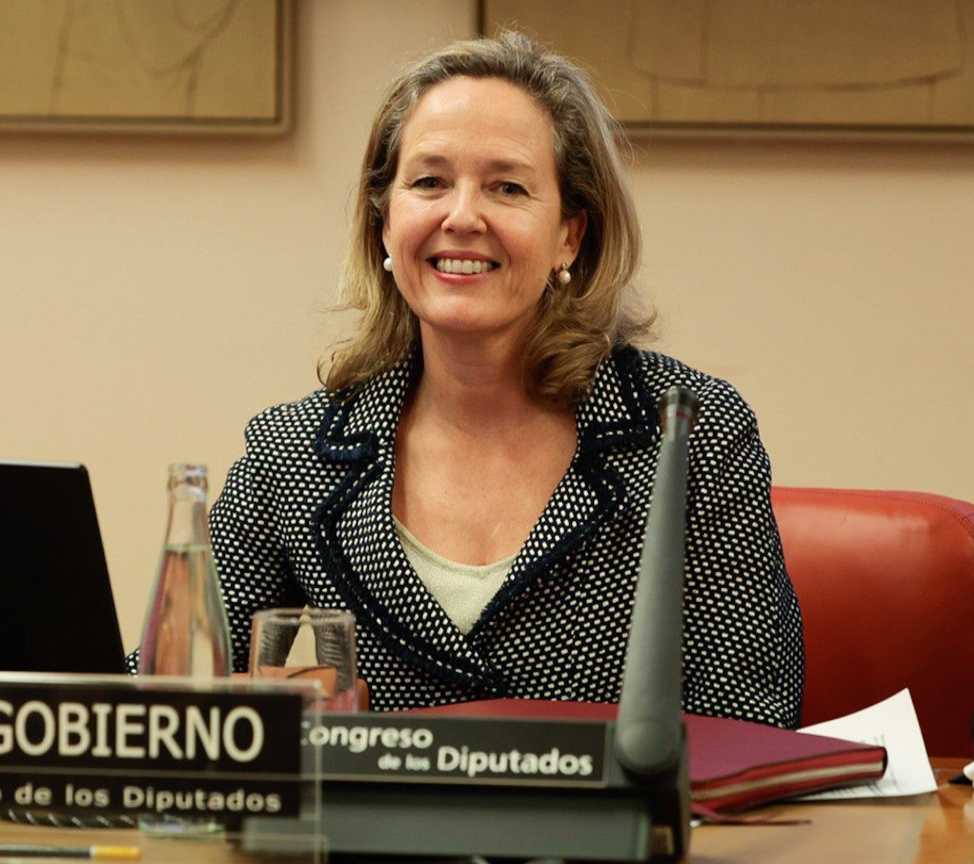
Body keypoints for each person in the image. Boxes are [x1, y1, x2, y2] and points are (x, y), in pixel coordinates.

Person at [133, 30, 804, 728]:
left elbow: (748, 719)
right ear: (384, 222)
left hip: (614, 804)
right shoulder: (295, 454)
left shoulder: (687, 436)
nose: (460, 217)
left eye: (506, 187)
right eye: (429, 182)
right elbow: (158, 702)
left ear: (570, 235)